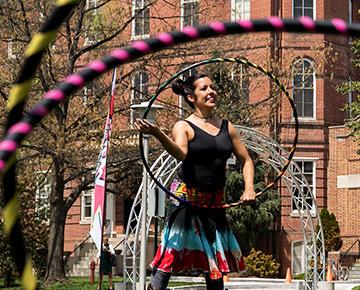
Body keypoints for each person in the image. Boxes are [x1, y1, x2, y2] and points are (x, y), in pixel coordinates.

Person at [134, 73, 256, 290]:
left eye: (212, 87)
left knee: (215, 262)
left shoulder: (227, 127)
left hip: (214, 203)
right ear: (191, 97)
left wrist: (249, 188)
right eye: (204, 89)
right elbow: (180, 154)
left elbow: (246, 160)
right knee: (170, 255)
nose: (211, 92)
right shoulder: (184, 126)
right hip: (186, 200)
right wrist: (157, 133)